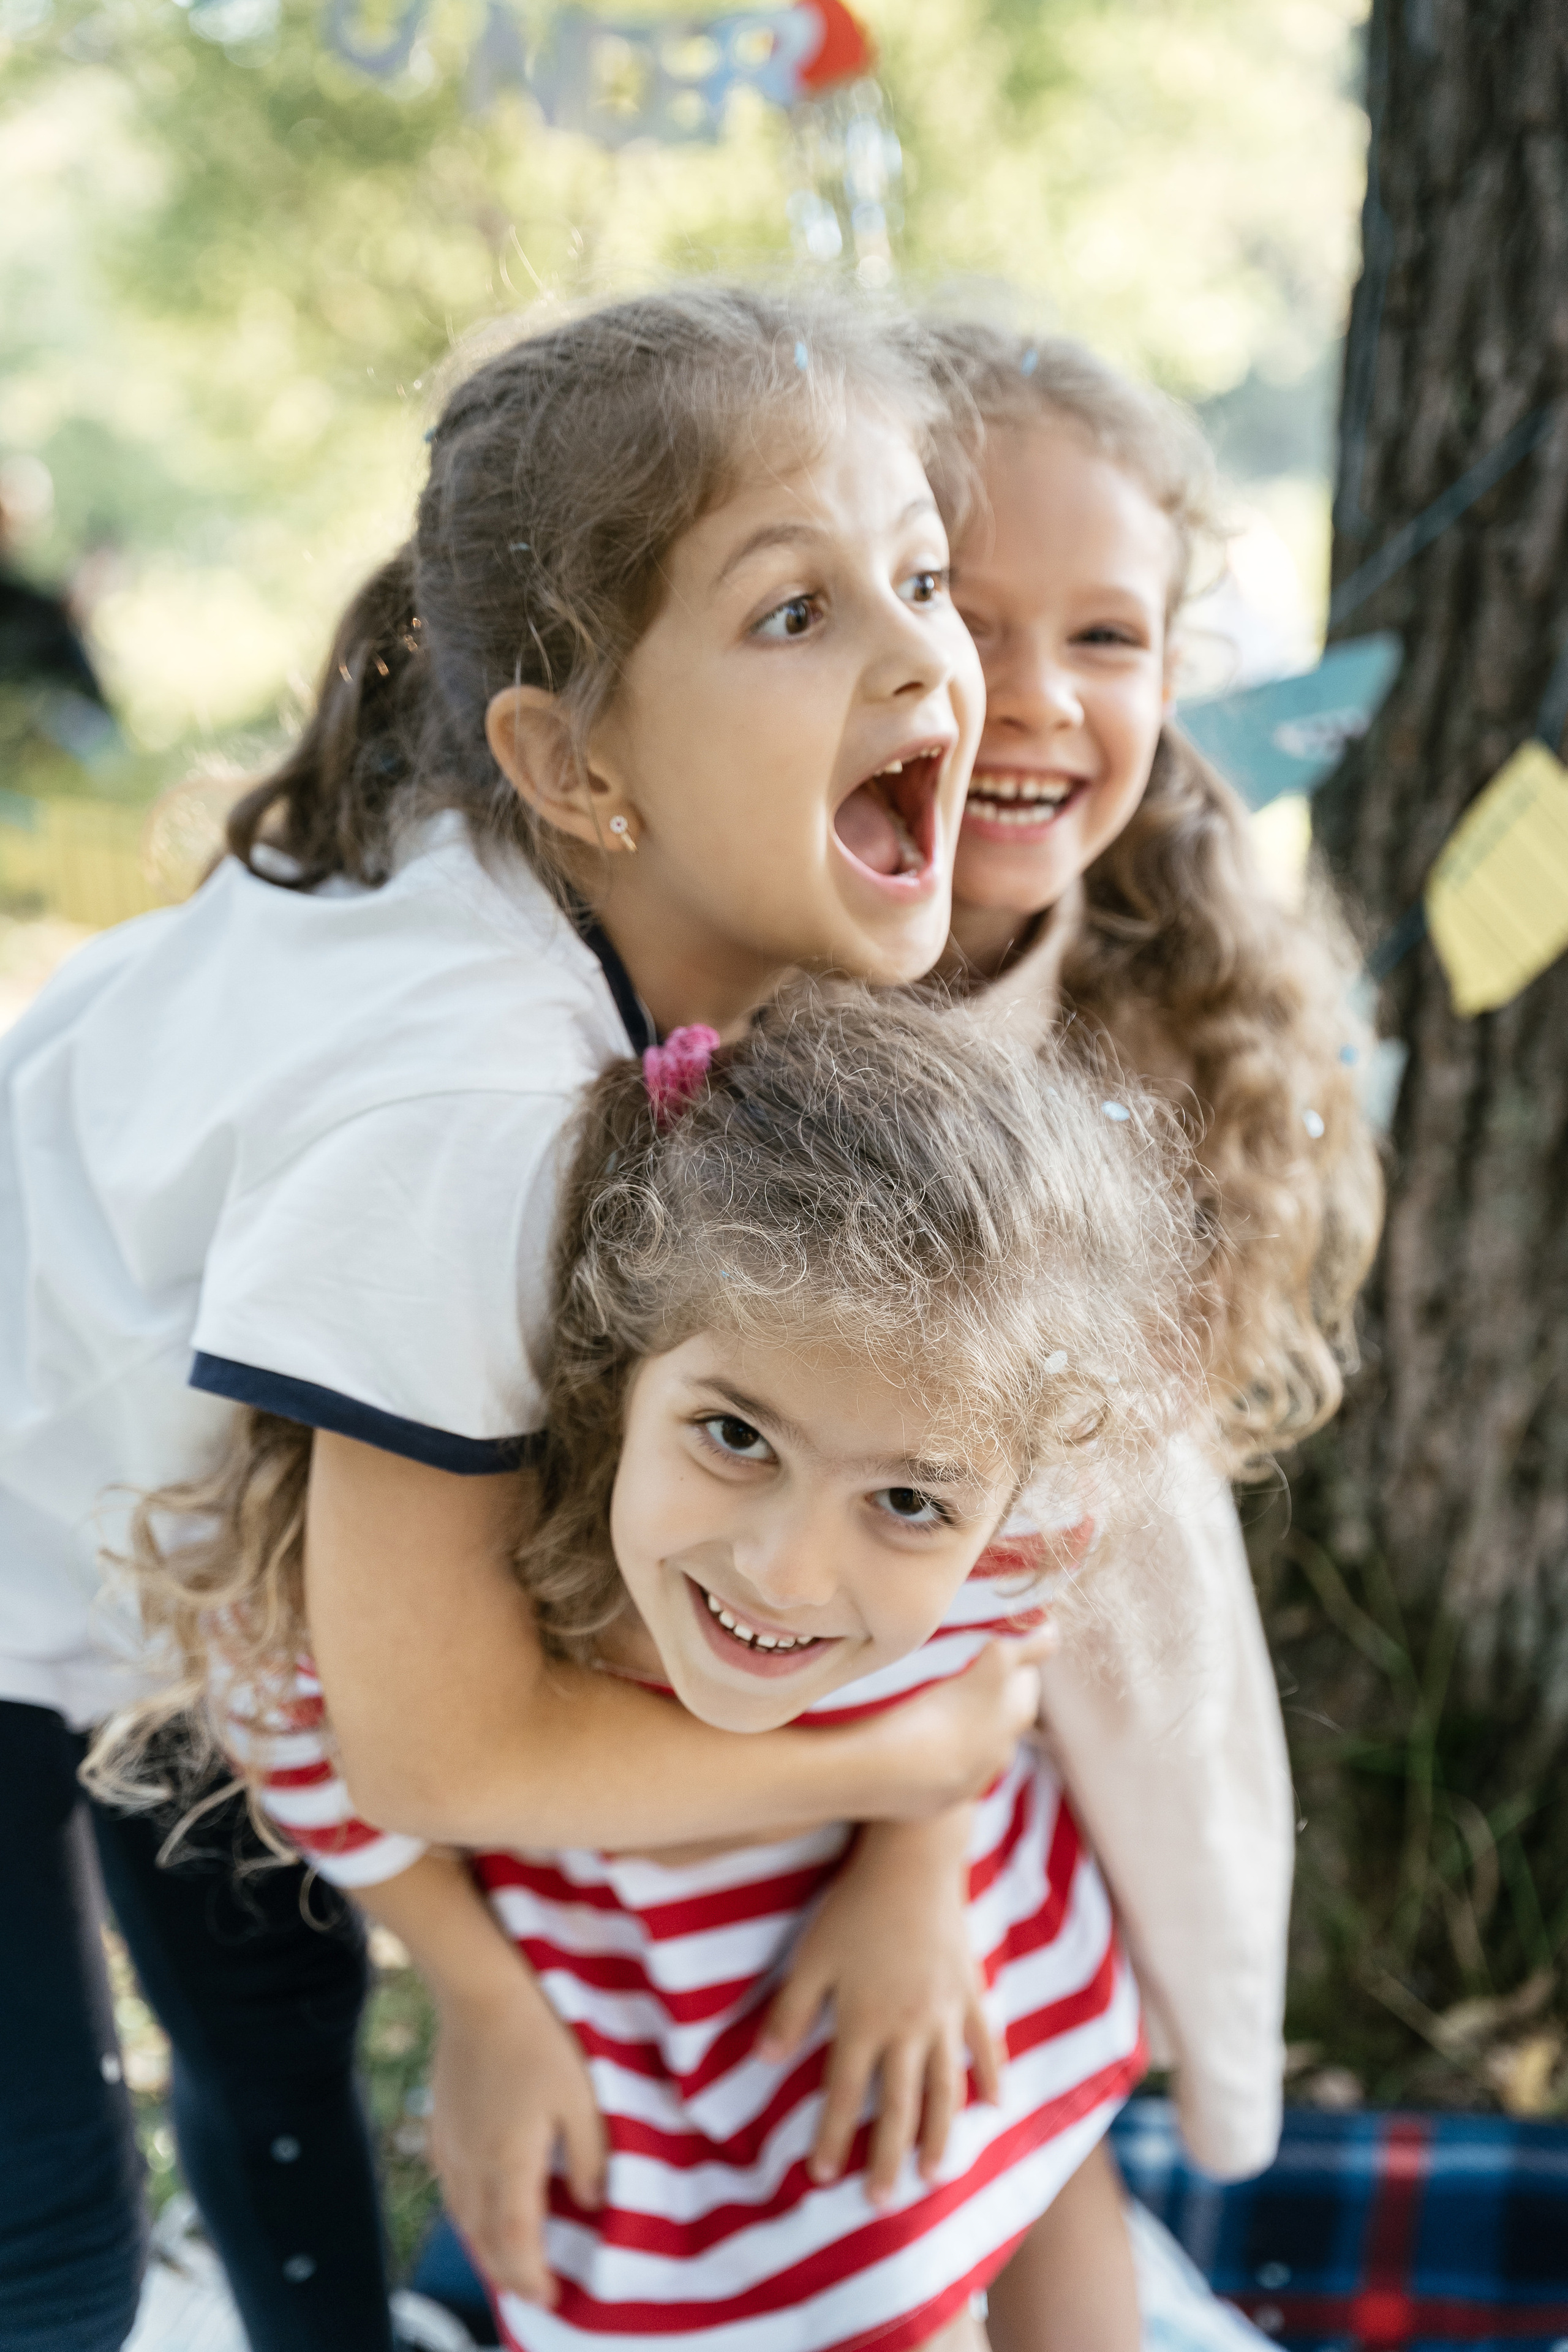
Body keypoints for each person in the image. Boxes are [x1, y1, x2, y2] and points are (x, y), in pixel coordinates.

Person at [0, 285, 1036, 2352]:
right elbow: (444, 1742)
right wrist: (917, 1760)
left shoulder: (545, 884)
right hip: (35, 1570)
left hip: (130, 1547)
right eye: (794, 612)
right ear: (574, 764)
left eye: (920, 580)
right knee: (47, 2254)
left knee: (273, 2024)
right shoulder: (471, 1113)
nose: (927, 652)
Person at [89, 979, 1197, 2352]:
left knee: (1021, 2177)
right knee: (830, 2292)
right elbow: (286, 1715)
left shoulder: (1013, 1529)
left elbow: (989, 1674)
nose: (784, 1576)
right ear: (621, 1361)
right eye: (735, 1437)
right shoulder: (471, 1567)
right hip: (631, 2008)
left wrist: (914, 1866)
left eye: (907, 1503)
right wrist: (478, 1993)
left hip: (929, 1941)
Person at [917, 318, 1385, 2182]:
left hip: (1048, 1770)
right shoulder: (733, 1027)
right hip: (789, 1775)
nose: (1030, 699)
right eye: (959, 615)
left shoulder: (1154, 1023)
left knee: (1050, 2189)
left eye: (1104, 636)